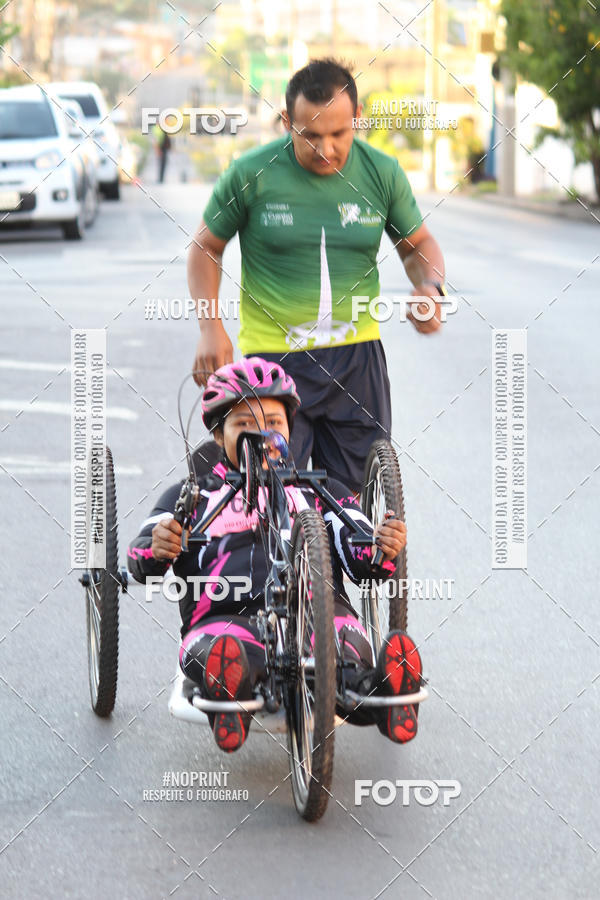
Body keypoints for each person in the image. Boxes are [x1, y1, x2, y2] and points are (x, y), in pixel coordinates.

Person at [127, 357, 422, 754]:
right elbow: (141, 553)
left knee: (345, 649)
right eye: (244, 425)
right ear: (218, 436)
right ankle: (231, 687)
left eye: (274, 422)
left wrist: (379, 546)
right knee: (228, 654)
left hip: (323, 614)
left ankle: (385, 690)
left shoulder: (319, 490)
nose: (262, 434)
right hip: (225, 618)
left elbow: (358, 552)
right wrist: (158, 545)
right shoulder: (194, 495)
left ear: (290, 430)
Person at [188, 57, 446, 493]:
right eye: (310, 135)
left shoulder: (381, 173)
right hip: (273, 365)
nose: (325, 149)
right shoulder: (252, 174)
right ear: (286, 121)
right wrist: (210, 329)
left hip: (355, 360)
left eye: (338, 134)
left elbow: (418, 245)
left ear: (357, 119)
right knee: (269, 502)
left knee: (359, 509)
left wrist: (431, 287)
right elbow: (205, 248)